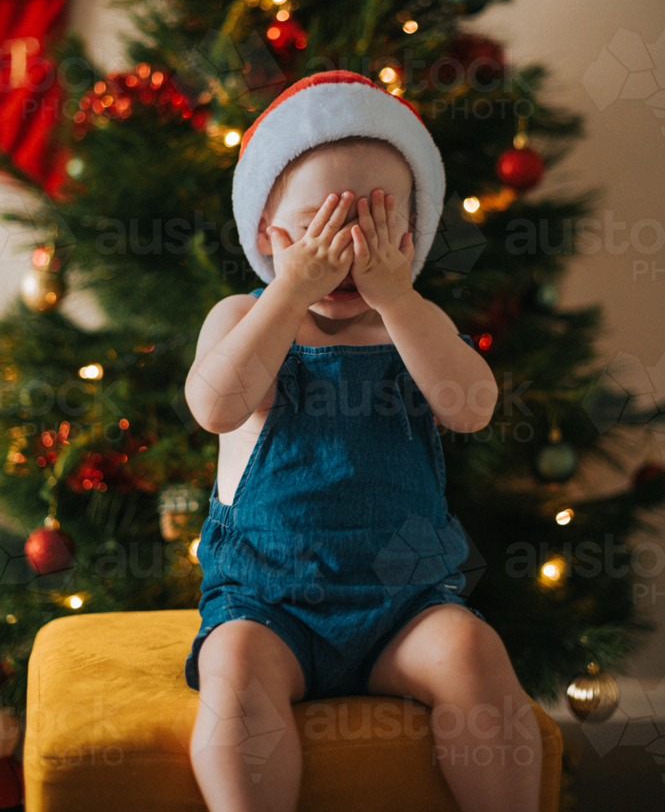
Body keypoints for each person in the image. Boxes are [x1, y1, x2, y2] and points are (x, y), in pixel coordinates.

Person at [183, 71, 542, 812]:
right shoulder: (241, 318)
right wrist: (286, 295)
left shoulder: (414, 325)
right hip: (264, 600)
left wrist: (400, 300)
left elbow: (471, 408)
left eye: (373, 227)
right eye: (317, 227)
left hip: (403, 605)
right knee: (235, 671)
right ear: (266, 235)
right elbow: (216, 407)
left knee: (473, 653)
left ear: (411, 239)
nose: (343, 254)